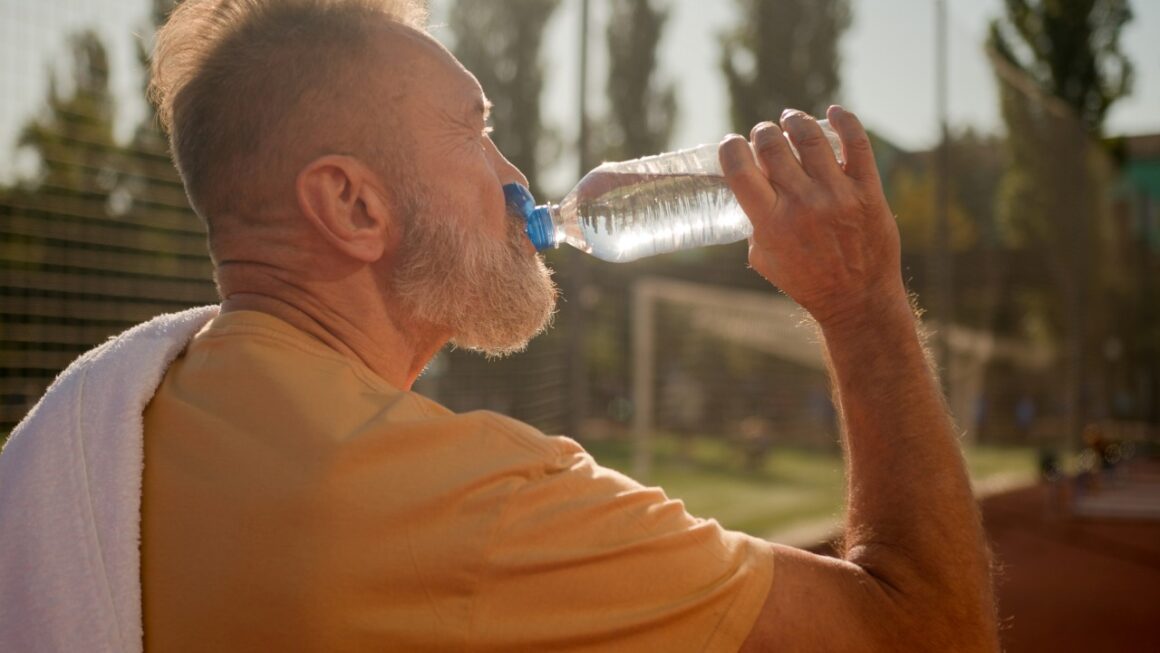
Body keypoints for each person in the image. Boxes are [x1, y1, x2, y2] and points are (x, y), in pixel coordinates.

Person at [0, 0, 998, 650]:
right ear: (353, 205)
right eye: (476, 129)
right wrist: (860, 301)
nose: (517, 175)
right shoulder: (475, 507)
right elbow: (930, 630)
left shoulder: (114, 429)